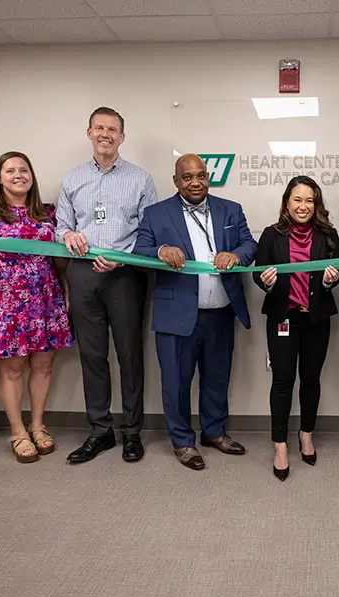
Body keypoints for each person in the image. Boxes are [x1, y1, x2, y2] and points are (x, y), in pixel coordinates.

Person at [133, 154, 257, 470]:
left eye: (200, 175)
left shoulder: (231, 209)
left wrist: (236, 256)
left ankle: (214, 432)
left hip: (220, 313)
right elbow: (138, 251)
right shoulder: (156, 214)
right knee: (175, 381)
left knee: (217, 377)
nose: (195, 182)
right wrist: (161, 251)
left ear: (208, 178)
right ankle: (183, 441)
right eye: (187, 177)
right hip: (176, 316)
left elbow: (250, 245)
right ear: (176, 182)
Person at [55, 106, 159, 464]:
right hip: (83, 274)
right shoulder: (71, 179)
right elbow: (60, 226)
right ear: (89, 133)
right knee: (92, 356)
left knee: (130, 355)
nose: (105, 134)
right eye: (99, 128)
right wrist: (68, 234)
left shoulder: (141, 179)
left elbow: (149, 234)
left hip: (125, 275)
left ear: (121, 137)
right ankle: (100, 432)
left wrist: (123, 257)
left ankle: (132, 432)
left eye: (112, 129)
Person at [0, 151, 73, 463]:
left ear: (32, 176)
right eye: (9, 170)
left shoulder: (48, 214)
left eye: (24, 169)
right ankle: (17, 431)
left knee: (44, 366)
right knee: (12, 369)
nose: (18, 175)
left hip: (45, 299)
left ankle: (38, 426)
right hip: (6, 301)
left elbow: (60, 261)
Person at [252, 176, 339, 481]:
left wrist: (331, 280)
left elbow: (336, 273)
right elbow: (257, 272)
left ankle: (306, 435)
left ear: (315, 204)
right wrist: (264, 282)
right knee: (282, 381)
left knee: (311, 379)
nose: (303, 207)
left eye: (309, 200)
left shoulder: (329, 234)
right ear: (287, 202)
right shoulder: (270, 235)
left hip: (316, 319)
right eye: (297, 200)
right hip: (283, 317)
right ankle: (280, 445)